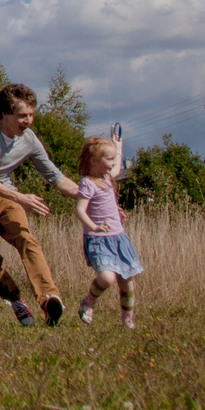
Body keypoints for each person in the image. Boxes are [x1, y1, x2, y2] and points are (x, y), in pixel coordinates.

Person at [0, 82, 80, 326]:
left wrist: (93, 198)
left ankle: (49, 299)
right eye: (23, 115)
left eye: (32, 114)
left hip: (6, 196)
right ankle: (15, 300)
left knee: (26, 239)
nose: (29, 121)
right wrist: (21, 198)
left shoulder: (29, 140)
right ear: (4, 114)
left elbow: (55, 177)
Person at [75, 133, 143, 328]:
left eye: (114, 158)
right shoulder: (88, 183)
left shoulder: (106, 178)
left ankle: (127, 321)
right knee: (106, 277)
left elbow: (118, 166)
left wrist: (118, 145)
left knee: (126, 280)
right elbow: (80, 210)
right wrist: (94, 226)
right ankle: (88, 301)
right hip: (98, 239)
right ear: (95, 160)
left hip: (118, 237)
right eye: (109, 159)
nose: (114, 163)